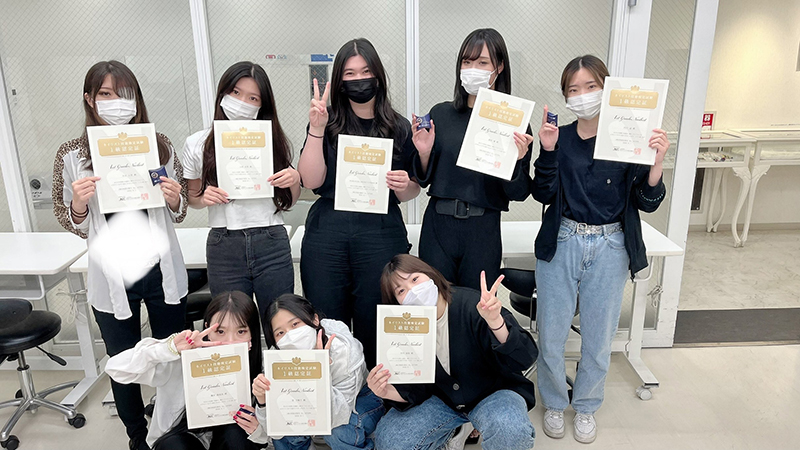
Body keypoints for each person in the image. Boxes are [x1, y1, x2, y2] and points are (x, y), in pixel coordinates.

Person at [531, 55, 669, 444]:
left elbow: (646, 201)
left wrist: (657, 162)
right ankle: (554, 402)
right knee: (552, 333)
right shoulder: (561, 138)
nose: (582, 95)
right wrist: (547, 151)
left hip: (611, 245)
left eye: (590, 87)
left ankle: (587, 406)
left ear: (607, 89)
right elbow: (542, 193)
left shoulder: (628, 137)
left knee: (598, 337)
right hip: (563, 241)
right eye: (573, 90)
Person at [52, 60, 189, 450]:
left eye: (124, 94)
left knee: (172, 354)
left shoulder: (159, 144)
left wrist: (175, 198)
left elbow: (179, 212)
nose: (117, 102)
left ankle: (172, 428)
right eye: (106, 94)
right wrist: (79, 204)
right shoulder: (72, 155)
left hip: (159, 268)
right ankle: (136, 436)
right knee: (123, 361)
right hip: (112, 272)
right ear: (89, 99)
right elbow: (68, 217)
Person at [297, 38, 420, 367]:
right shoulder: (326, 122)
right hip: (328, 234)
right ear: (339, 81)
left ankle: (376, 392)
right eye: (350, 73)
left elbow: (411, 191)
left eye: (365, 71)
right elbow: (311, 180)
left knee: (378, 319)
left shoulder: (398, 127)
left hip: (380, 232)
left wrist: (405, 185)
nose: (359, 79)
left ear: (378, 75)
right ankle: (335, 391)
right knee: (327, 323)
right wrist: (316, 129)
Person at [370, 254, 537, 450]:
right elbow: (415, 389)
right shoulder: (404, 328)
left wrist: (495, 322)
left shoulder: (474, 305)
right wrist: (385, 391)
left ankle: (469, 426)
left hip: (493, 394)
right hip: (442, 400)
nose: (412, 291)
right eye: (401, 291)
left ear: (430, 275)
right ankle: (453, 431)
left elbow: (525, 357)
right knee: (389, 440)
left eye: (415, 279)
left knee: (511, 430)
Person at [410, 28, 532, 290]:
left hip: (483, 227)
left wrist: (516, 161)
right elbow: (423, 179)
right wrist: (423, 152)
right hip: (439, 224)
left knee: (478, 304)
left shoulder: (514, 121)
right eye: (467, 62)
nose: (472, 69)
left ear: (499, 67)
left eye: (482, 62)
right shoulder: (441, 114)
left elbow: (519, 193)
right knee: (435, 301)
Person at [183, 61, 299, 335]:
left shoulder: (272, 140)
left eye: (253, 98)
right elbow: (192, 197)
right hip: (225, 244)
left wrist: (294, 179)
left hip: (271, 239)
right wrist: (203, 196)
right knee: (231, 329)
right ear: (223, 93)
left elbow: (289, 201)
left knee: (281, 325)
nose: (242, 103)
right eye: (236, 93)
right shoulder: (197, 143)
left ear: (262, 105)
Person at [105, 291, 269, 450]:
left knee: (235, 434)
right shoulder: (182, 358)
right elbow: (115, 368)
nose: (230, 341)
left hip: (231, 441)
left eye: (241, 331)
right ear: (207, 329)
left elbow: (268, 438)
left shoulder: (262, 367)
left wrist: (257, 429)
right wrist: (168, 348)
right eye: (220, 331)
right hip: (183, 438)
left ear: (252, 333)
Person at [250, 293, 385, 450]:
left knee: (340, 432)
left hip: (358, 401)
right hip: (310, 404)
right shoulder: (277, 359)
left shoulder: (342, 350)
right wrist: (263, 402)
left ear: (314, 320)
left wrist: (320, 370)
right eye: (280, 333)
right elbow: (274, 429)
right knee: (287, 427)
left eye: (295, 324)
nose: (290, 336)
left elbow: (337, 416)